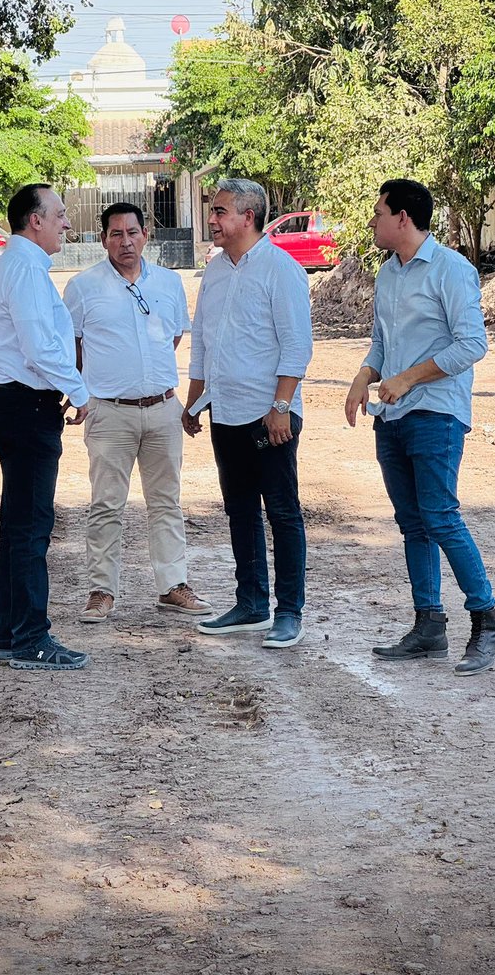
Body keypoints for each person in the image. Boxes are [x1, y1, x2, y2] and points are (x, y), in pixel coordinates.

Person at [345, 178, 495, 676]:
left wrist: (409, 377)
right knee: (412, 523)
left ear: (403, 218)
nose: (372, 222)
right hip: (391, 415)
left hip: (436, 412)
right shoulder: (387, 274)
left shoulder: (451, 270)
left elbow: (471, 345)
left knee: (440, 517)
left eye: (378, 213)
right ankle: (428, 625)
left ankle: (487, 623)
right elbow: (381, 342)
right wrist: (362, 378)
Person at [62, 202, 212, 623]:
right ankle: (101, 591)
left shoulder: (168, 283)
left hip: (163, 408)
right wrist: (82, 394)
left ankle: (172, 585)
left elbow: (175, 338)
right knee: (106, 504)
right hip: (109, 413)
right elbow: (72, 347)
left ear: (146, 234)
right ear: (103, 238)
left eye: (132, 232)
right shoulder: (83, 287)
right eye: (115, 234)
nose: (125, 242)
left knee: (167, 501)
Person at [183, 178, 313, 649]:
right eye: (213, 211)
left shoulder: (282, 269)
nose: (212, 220)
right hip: (226, 412)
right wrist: (194, 400)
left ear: (248, 217)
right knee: (239, 510)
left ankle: (289, 612)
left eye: (219, 212)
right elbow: (203, 341)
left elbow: (297, 344)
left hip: (269, 415)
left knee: (281, 512)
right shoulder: (216, 271)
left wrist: (281, 407)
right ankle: (251, 604)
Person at [0, 183, 91, 672]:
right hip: (25, 405)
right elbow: (40, 347)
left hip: (18, 403)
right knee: (30, 527)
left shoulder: (16, 266)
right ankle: (28, 640)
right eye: (59, 214)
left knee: (20, 524)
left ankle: (12, 635)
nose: (67, 222)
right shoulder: (22, 269)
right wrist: (81, 392)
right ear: (34, 220)